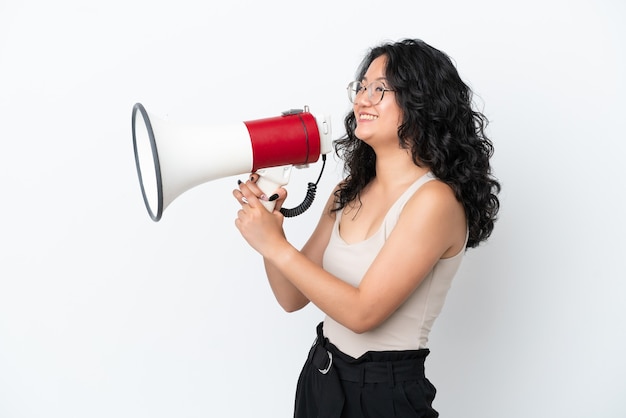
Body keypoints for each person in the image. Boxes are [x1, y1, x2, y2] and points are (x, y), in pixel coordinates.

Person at [233, 38, 500, 418]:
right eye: (361, 87)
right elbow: (291, 297)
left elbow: (362, 314)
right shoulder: (349, 191)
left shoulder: (434, 202)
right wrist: (271, 231)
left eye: (380, 89)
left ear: (421, 100)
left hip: (383, 394)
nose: (362, 99)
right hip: (322, 375)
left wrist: (275, 247)